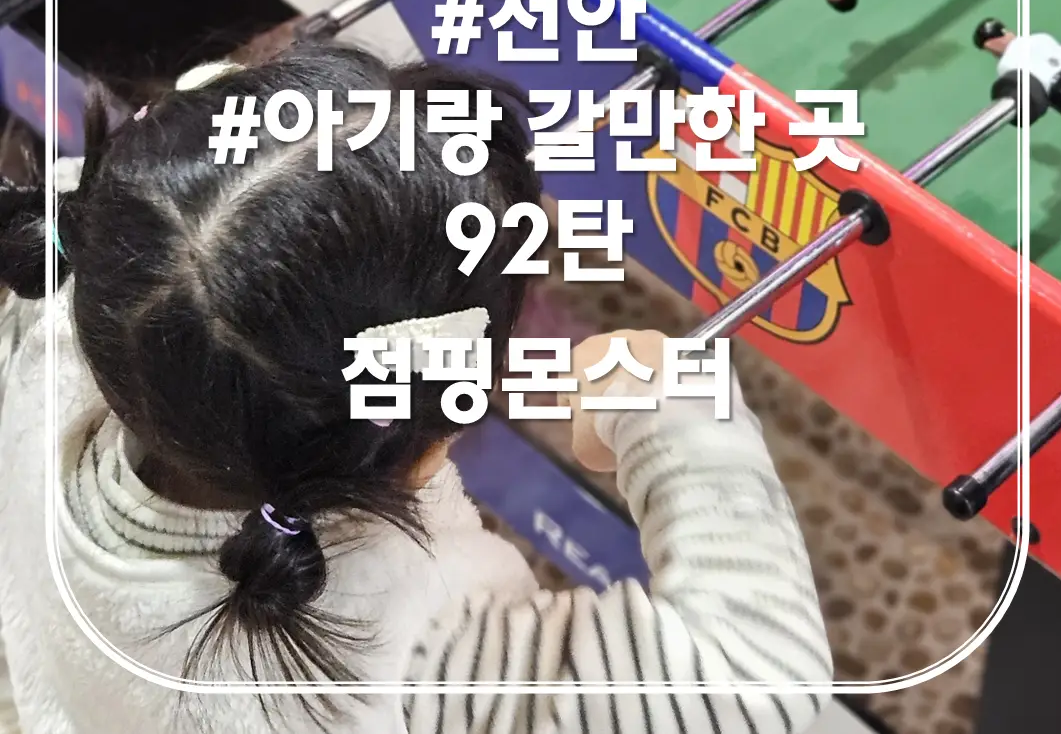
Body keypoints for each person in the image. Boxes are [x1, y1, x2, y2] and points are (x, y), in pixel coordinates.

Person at [0, 44, 832, 733]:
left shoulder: (76, 309)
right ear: (433, 433)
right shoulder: (412, 655)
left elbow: (169, 213)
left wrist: (232, 163)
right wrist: (673, 407)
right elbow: (754, 682)